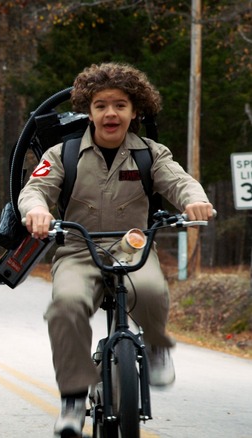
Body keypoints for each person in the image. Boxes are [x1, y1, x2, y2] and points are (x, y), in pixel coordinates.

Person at [19, 62, 214, 437]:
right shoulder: (64, 154)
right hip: (77, 248)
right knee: (65, 305)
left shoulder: (150, 154)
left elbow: (181, 183)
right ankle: (74, 397)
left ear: (134, 110)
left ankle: (156, 347)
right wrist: (38, 211)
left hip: (132, 248)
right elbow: (35, 190)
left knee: (153, 291)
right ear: (88, 111)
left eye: (120, 105)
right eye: (101, 105)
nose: (111, 113)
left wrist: (195, 202)